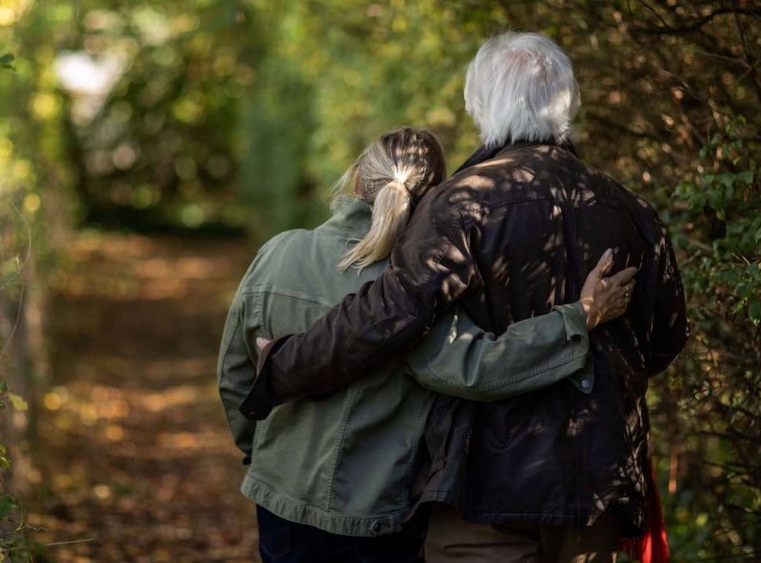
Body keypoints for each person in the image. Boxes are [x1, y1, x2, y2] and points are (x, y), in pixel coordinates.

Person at [241, 33, 689, 563]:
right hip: (595, 485)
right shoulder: (630, 210)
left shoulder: (462, 203)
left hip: (484, 491)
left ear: (480, 105)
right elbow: (664, 341)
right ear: (565, 106)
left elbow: (389, 316)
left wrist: (283, 367)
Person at [218, 127, 638, 562]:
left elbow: (235, 377)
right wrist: (577, 317)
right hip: (375, 518)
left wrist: (262, 455)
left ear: (359, 177)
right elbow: (480, 366)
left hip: (278, 498)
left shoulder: (277, 254)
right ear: (431, 199)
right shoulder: (413, 290)